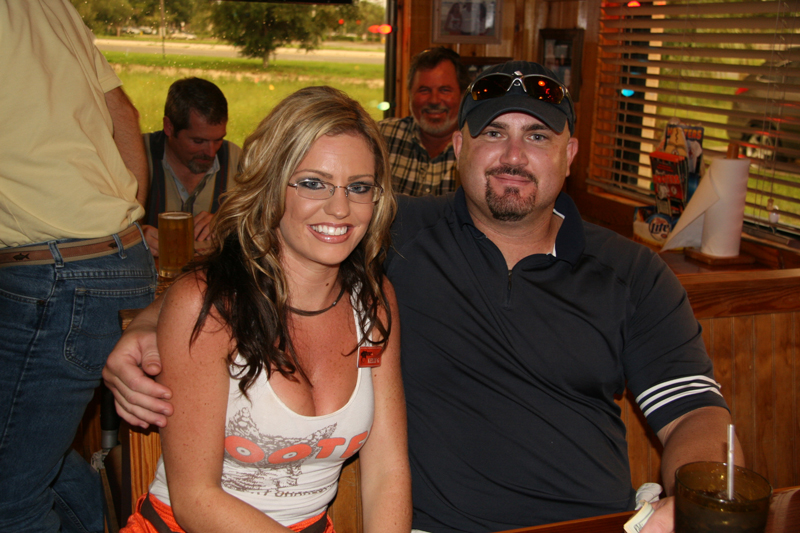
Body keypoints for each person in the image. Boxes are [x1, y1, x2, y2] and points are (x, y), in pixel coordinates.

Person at [104, 62, 741, 533]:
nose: (513, 155)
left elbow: (695, 416)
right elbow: (248, 267)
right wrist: (149, 325)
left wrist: (691, 502)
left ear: (569, 154)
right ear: (459, 147)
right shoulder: (390, 235)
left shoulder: (633, 271)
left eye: (538, 137)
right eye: (493, 133)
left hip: (591, 525)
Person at [118, 86, 411, 533]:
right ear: (271, 185)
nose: (340, 208)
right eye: (313, 183)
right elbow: (196, 498)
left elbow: (388, 470)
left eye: (359, 187)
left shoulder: (373, 299)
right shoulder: (210, 306)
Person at [0, 1, 157, 532]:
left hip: (53, 275)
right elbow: (123, 115)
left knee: (9, 500)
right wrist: (122, 222)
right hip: (111, 260)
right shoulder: (49, 6)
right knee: (29, 452)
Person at [141, 77, 241, 256]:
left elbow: (268, 220)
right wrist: (133, 235)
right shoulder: (137, 156)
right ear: (169, 127)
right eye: (198, 141)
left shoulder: (237, 160)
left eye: (218, 139)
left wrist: (228, 222)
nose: (211, 152)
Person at [379, 47, 470, 196]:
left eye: (445, 90)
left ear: (462, 95)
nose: (434, 100)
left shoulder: (476, 147)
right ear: (409, 94)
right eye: (424, 90)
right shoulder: (381, 137)